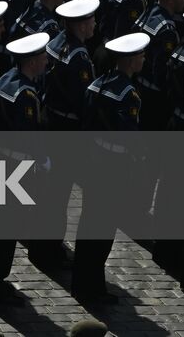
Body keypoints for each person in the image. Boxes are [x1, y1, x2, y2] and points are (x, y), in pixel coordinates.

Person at [73, 32, 146, 304]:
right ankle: (93, 288)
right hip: (115, 165)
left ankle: (82, 281)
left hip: (93, 160)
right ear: (129, 60)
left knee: (88, 222)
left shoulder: (97, 84)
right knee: (103, 230)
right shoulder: (128, 94)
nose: (143, 59)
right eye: (140, 55)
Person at [0, 32, 49, 304]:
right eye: (42, 57)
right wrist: (41, 158)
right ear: (31, 61)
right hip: (15, 165)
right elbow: (28, 134)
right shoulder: (26, 93)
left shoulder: (4, 81)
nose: (45, 62)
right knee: (6, 224)